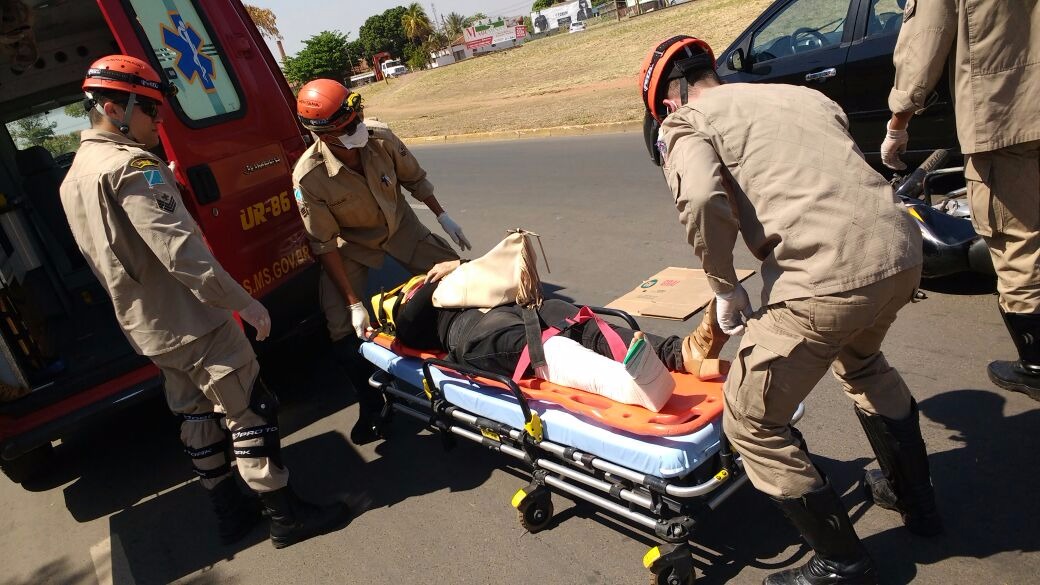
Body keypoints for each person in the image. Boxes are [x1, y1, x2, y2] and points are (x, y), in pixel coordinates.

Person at [639, 36, 942, 584]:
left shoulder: (685, 122)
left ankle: (843, 564)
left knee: (750, 418)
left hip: (823, 279)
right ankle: (916, 502)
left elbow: (702, 198)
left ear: (667, 101)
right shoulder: (801, 96)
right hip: (900, 255)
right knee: (863, 363)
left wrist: (724, 286)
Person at [59, 55, 349, 548]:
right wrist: (244, 302)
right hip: (197, 320)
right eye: (150, 109)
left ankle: (229, 512)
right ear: (113, 108)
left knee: (196, 416)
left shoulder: (75, 178)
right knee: (249, 409)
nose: (159, 119)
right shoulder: (132, 168)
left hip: (151, 329)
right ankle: (284, 516)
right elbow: (180, 252)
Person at [291, 79, 468, 444]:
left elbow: (415, 180)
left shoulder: (380, 137)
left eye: (357, 119)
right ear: (323, 135)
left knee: (463, 279)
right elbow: (324, 243)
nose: (359, 129)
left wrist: (443, 216)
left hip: (401, 226)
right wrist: (354, 304)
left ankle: (471, 365)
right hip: (352, 245)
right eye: (348, 127)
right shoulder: (309, 177)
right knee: (341, 327)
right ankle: (371, 403)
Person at [881, 0, 1040, 403]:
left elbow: (926, 38)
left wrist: (899, 121)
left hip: (1010, 112)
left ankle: (1036, 365)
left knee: (1016, 237)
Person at [377, 259, 730, 411]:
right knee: (536, 345)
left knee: (571, 317)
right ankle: (635, 387)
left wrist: (457, 267)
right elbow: (412, 318)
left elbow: (489, 274)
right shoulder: (406, 319)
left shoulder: (448, 283)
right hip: (471, 333)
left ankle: (682, 353)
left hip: (508, 306)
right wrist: (442, 275)